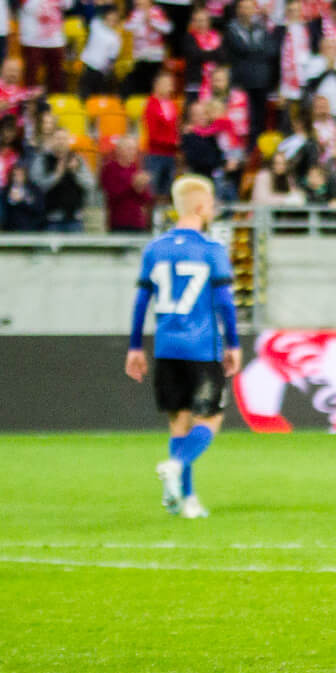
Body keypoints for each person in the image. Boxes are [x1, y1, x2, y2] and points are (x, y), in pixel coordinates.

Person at [123, 175, 242, 520]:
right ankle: (177, 467)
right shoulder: (211, 250)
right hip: (202, 347)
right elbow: (225, 303)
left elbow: (140, 301)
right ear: (202, 207)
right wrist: (233, 343)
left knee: (179, 424)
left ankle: (185, 500)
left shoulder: (154, 249)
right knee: (211, 419)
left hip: (166, 347)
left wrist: (134, 347)